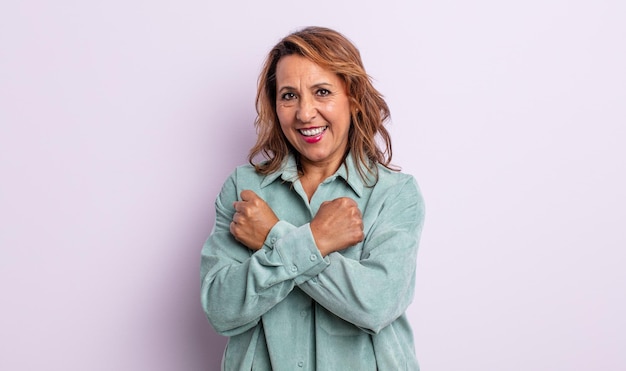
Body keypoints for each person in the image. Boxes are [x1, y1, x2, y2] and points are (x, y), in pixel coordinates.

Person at [201, 26, 425, 370]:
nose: (305, 113)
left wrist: (273, 235)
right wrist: (317, 240)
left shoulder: (395, 194)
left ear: (352, 97)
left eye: (322, 92)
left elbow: (376, 304)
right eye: (289, 96)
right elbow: (221, 309)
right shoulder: (243, 190)